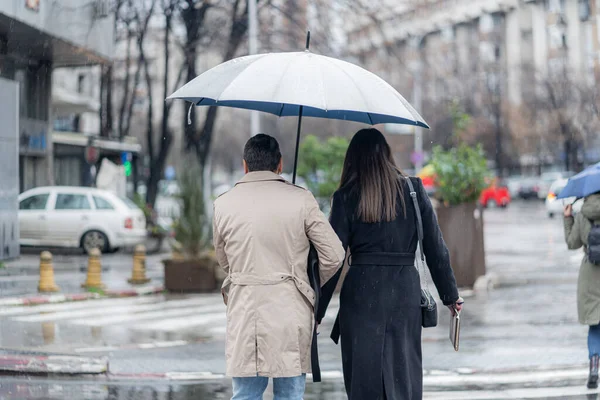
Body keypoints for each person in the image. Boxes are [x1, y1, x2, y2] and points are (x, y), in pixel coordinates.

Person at [317, 128, 464, 400]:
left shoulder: (346, 196)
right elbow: (434, 247)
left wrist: (316, 312)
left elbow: (331, 259)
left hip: (362, 294)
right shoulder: (413, 190)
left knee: (363, 377)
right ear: (387, 154)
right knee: (402, 373)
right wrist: (450, 295)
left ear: (353, 158)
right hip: (403, 293)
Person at [213, 133, 345, 400]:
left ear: (245, 165)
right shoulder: (301, 199)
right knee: (289, 395)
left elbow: (224, 260)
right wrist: (305, 283)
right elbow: (334, 255)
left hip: (244, 309)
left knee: (246, 395)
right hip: (290, 311)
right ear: (280, 164)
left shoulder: (223, 204)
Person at [564, 193, 600, 389]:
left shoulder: (582, 214)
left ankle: (594, 366)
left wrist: (568, 218)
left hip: (590, 274)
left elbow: (572, 243)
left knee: (594, 326)